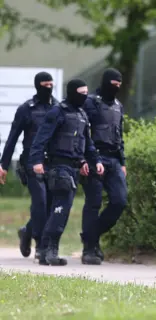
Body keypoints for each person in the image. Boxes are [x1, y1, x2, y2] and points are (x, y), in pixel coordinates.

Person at [29, 79, 104, 266]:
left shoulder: (81, 114)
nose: (85, 96)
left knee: (60, 209)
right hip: (58, 166)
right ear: (72, 92)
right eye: (81, 92)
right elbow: (41, 138)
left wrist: (95, 161)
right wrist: (36, 161)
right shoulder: (58, 112)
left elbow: (87, 143)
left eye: (87, 92)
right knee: (61, 207)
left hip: (74, 167)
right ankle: (50, 249)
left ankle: (46, 250)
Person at [0, 72, 59, 259]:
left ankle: (27, 231)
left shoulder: (58, 107)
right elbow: (12, 138)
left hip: (53, 163)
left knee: (50, 205)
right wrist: (3, 165)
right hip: (31, 163)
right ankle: (41, 244)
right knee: (40, 201)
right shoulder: (26, 109)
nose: (48, 87)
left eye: (51, 84)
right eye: (45, 84)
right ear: (37, 85)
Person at [79, 68, 127, 265]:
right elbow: (81, 132)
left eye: (119, 86)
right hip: (93, 158)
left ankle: (91, 235)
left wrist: (122, 162)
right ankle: (89, 249)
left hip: (114, 161)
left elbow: (119, 135)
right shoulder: (90, 102)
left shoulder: (118, 106)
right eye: (113, 85)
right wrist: (83, 160)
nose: (115, 89)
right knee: (94, 202)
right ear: (106, 82)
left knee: (119, 201)